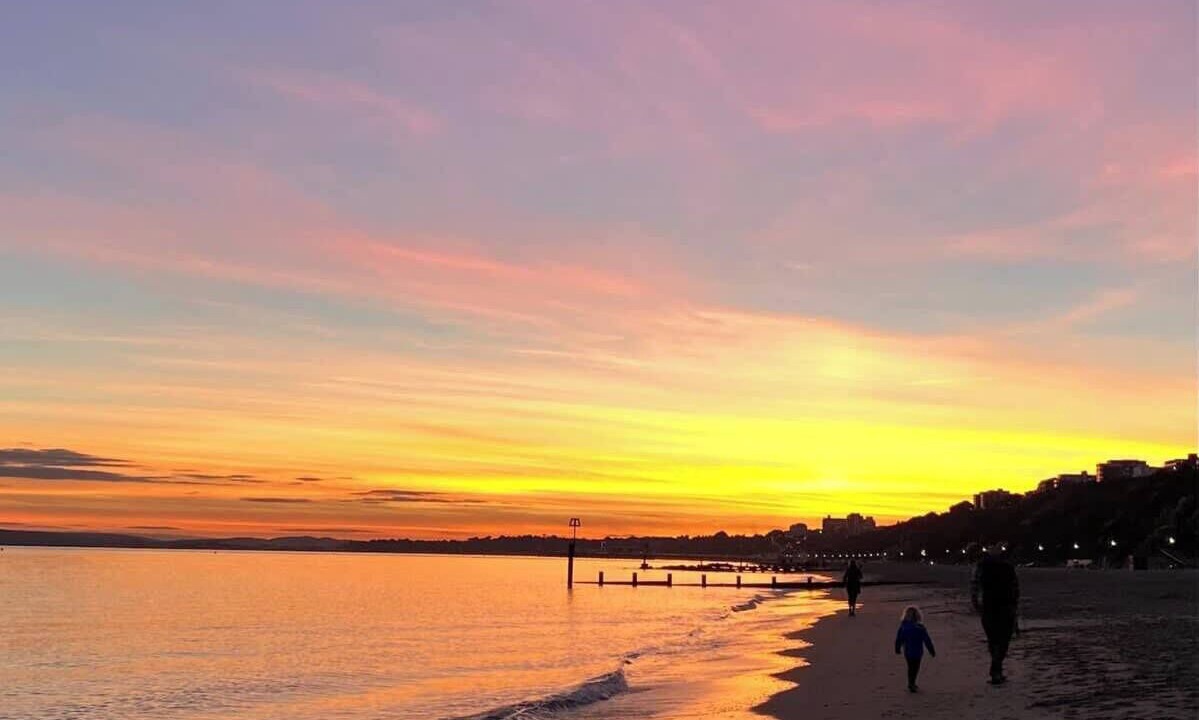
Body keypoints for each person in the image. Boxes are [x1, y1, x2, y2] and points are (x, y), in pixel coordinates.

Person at [971, 543, 1020, 685]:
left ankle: (996, 670)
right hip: (997, 606)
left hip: (997, 607)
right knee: (999, 640)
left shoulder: (1003, 566)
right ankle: (996, 671)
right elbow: (974, 586)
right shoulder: (987, 566)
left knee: (998, 641)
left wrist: (977, 605)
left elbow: (974, 587)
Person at [895, 605, 936, 692]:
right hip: (918, 651)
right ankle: (912, 683)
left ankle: (911, 683)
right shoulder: (920, 628)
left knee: (910, 667)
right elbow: (927, 640)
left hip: (908, 651)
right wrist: (931, 650)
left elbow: (899, 639)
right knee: (915, 667)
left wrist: (897, 648)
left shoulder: (903, 627)